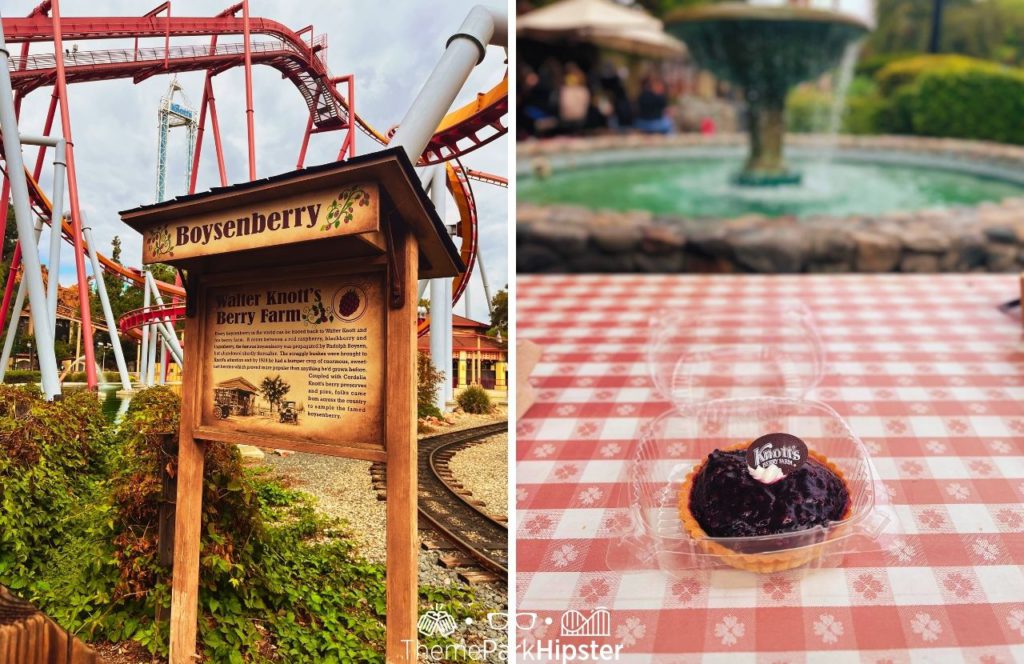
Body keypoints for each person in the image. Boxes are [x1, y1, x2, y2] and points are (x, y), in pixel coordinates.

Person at [558, 63, 590, 135]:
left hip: (576, 95)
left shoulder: (579, 76)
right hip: (570, 96)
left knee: (577, 124)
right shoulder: (566, 80)